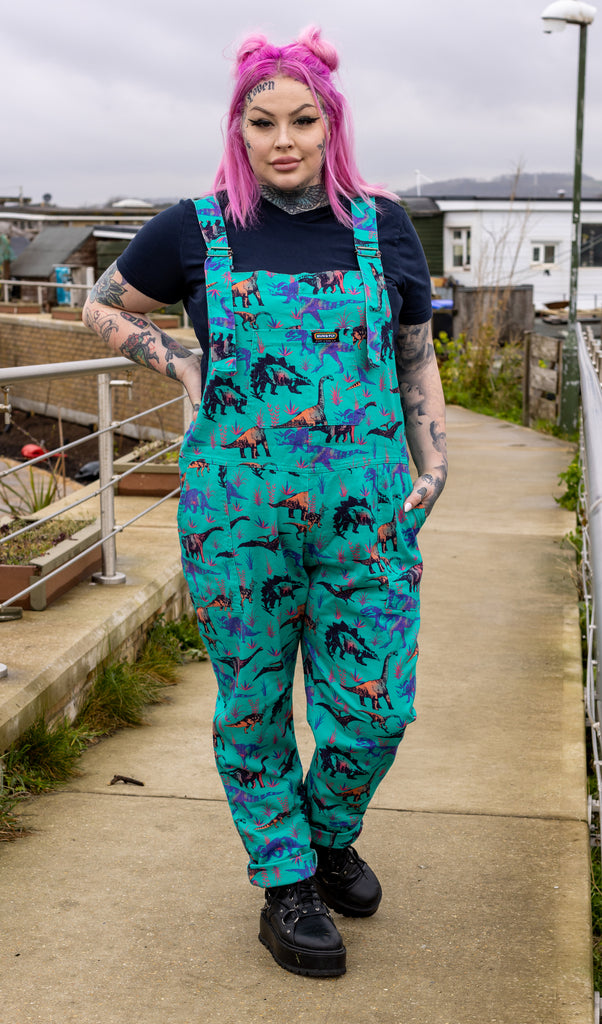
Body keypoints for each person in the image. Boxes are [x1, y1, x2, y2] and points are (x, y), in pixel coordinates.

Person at [83, 26, 447, 979]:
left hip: (368, 512)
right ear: (237, 131)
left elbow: (415, 354)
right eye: (262, 122)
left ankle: (327, 835)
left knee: (376, 709)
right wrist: (179, 359)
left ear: (332, 125)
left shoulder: (383, 223)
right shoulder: (196, 226)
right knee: (251, 704)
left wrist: (434, 462)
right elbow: (102, 303)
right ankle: (287, 882)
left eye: (303, 120)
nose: (283, 139)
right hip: (236, 519)